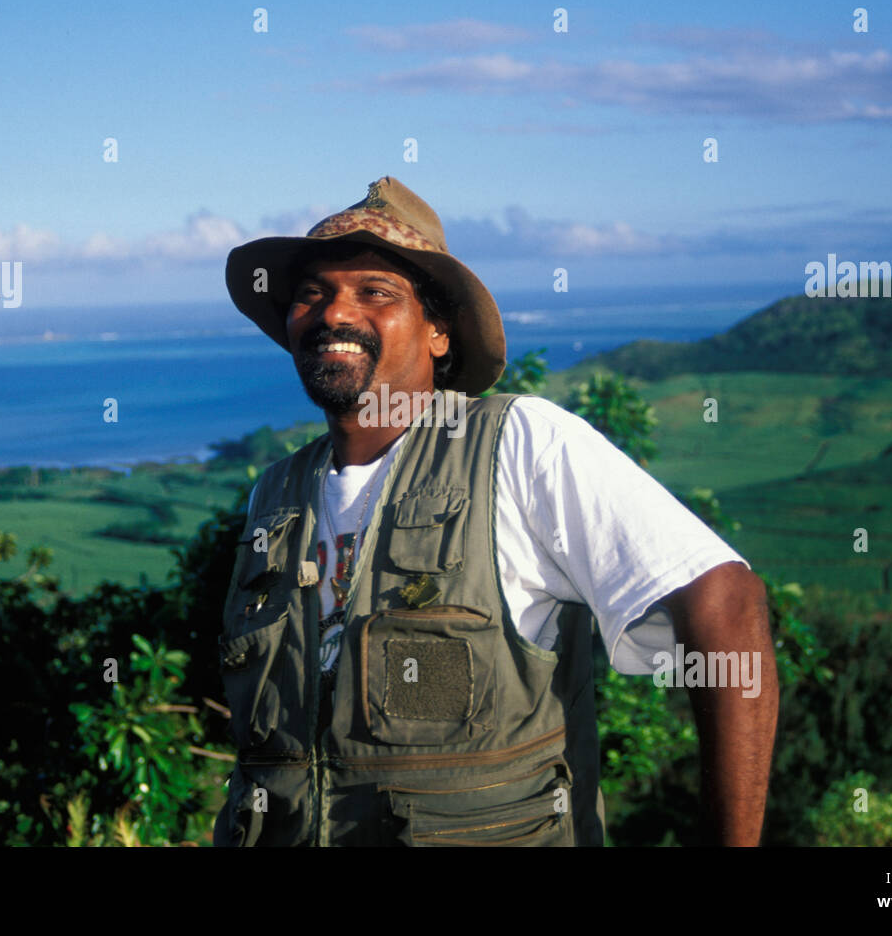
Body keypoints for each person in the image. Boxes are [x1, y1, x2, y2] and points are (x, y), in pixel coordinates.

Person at [215, 176, 778, 846]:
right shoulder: (273, 497)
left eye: (375, 292)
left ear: (439, 334)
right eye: (314, 293)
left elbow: (726, 604)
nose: (335, 312)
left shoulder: (519, 444)